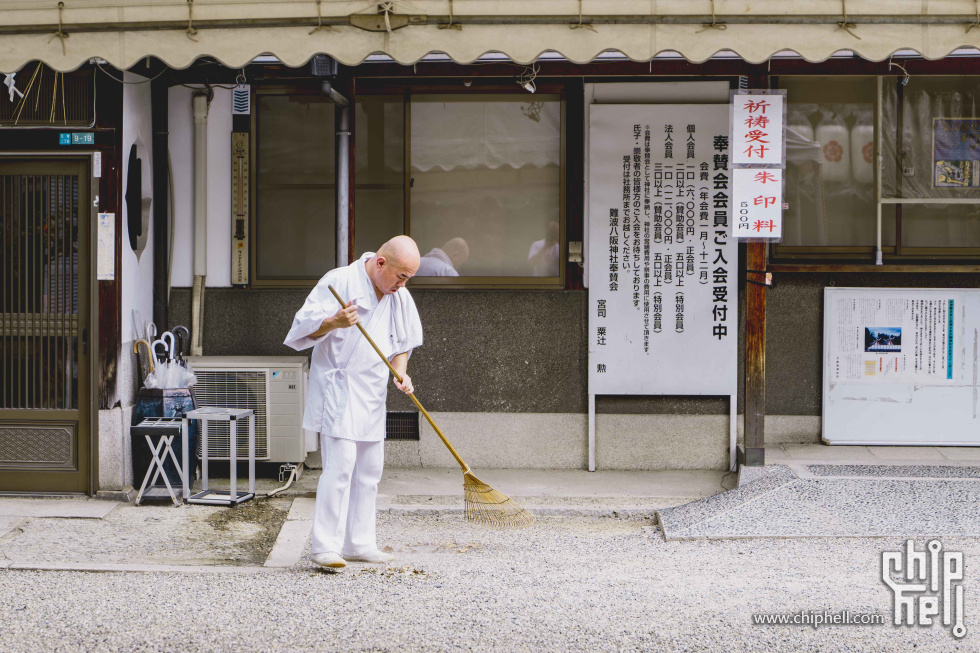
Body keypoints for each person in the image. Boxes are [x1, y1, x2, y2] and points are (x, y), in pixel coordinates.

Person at [283, 236, 423, 571]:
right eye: (400, 275)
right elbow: (301, 329)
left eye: (409, 278)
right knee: (341, 465)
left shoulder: (398, 296)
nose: (403, 284)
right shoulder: (339, 281)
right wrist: (334, 322)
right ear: (380, 263)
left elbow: (402, 341)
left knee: (370, 469)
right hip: (340, 387)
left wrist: (400, 373)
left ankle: (359, 542)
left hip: (372, 390)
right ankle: (324, 547)